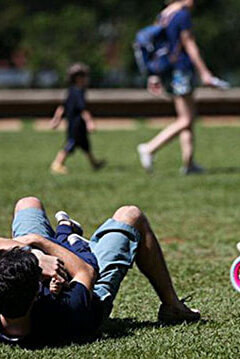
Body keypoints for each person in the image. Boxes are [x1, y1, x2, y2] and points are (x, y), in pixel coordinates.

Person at [0, 196, 200, 345]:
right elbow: (84, 271)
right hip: (89, 288)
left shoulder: (16, 302)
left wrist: (36, 256)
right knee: (131, 214)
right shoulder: (68, 310)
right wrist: (38, 242)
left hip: (32, 276)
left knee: (28, 203)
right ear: (37, 292)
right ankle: (172, 306)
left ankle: (63, 238)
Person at [137, 0, 218, 175]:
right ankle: (150, 148)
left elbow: (154, 47)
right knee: (186, 120)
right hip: (181, 69)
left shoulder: (164, 15)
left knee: (186, 118)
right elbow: (189, 44)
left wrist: (153, 75)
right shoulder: (182, 15)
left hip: (168, 70)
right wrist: (204, 72)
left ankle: (189, 164)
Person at [50, 63, 105, 175]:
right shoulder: (78, 92)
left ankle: (94, 164)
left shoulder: (71, 91)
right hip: (76, 124)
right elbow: (83, 110)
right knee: (71, 143)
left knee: (85, 145)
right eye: (84, 77)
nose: (86, 79)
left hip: (74, 123)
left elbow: (62, 107)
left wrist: (56, 120)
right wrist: (90, 122)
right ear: (78, 78)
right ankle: (57, 164)